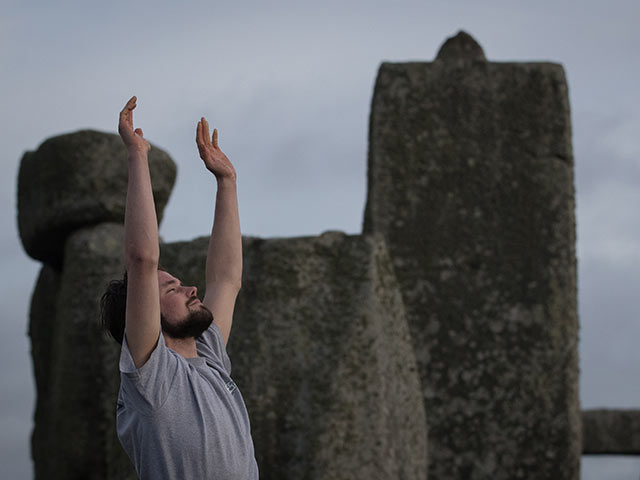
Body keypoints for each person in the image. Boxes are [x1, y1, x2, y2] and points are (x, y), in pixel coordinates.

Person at [100, 96, 259, 479]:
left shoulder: (208, 357)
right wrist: (138, 156)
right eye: (171, 289)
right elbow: (142, 260)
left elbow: (226, 279)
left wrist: (228, 182)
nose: (190, 289)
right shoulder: (150, 379)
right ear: (146, 317)